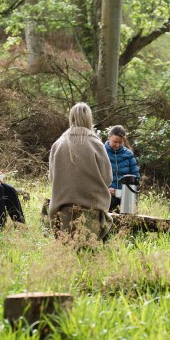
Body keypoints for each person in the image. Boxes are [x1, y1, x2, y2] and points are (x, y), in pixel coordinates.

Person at [49, 103, 113, 241]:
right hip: (92, 209)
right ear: (89, 119)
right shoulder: (96, 144)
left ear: (71, 118)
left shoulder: (58, 143)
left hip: (62, 208)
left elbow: (52, 178)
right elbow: (108, 178)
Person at [105, 125, 141, 213]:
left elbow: (136, 176)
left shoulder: (128, 154)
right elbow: (96, 176)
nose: (117, 145)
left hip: (126, 196)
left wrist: (127, 190)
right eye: (115, 142)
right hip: (107, 195)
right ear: (109, 137)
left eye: (120, 142)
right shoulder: (101, 152)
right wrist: (106, 188)